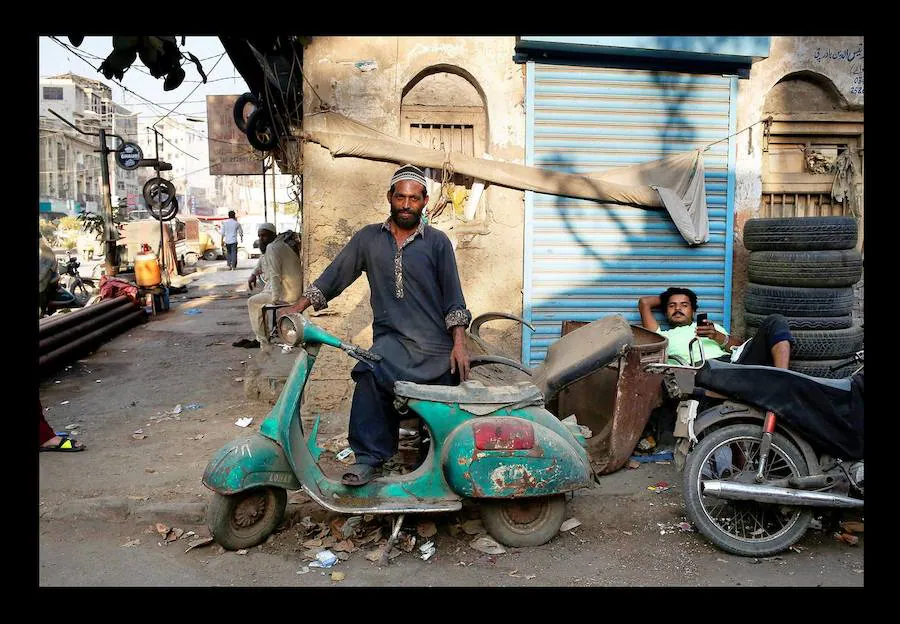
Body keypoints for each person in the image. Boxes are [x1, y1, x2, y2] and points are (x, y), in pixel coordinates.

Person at [286, 164, 471, 486]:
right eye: (400, 197)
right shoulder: (369, 239)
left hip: (435, 345)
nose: (406, 204)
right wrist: (297, 307)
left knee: (446, 395)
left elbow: (454, 298)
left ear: (424, 201)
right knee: (369, 372)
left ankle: (437, 461)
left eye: (413, 199)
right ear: (390, 197)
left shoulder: (438, 242)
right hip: (392, 342)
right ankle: (370, 458)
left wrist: (459, 345)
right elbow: (334, 277)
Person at [638, 287, 794, 369]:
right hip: (702, 369)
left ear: (693, 312)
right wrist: (669, 296)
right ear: (665, 312)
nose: (678, 309)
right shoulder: (662, 336)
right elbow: (644, 303)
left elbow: (740, 348)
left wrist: (718, 337)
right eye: (672, 306)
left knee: (775, 321)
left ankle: (783, 377)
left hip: (732, 364)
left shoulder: (710, 327)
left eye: (684, 305)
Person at [233, 223, 303, 350]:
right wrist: (253, 274)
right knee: (259, 300)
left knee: (253, 302)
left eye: (264, 236)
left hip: (287, 293)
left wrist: (275, 298)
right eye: (259, 236)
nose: (261, 239)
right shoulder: (279, 246)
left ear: (273, 235)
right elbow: (262, 263)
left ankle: (263, 342)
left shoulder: (273, 247)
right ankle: (261, 337)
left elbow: (276, 275)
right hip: (290, 289)